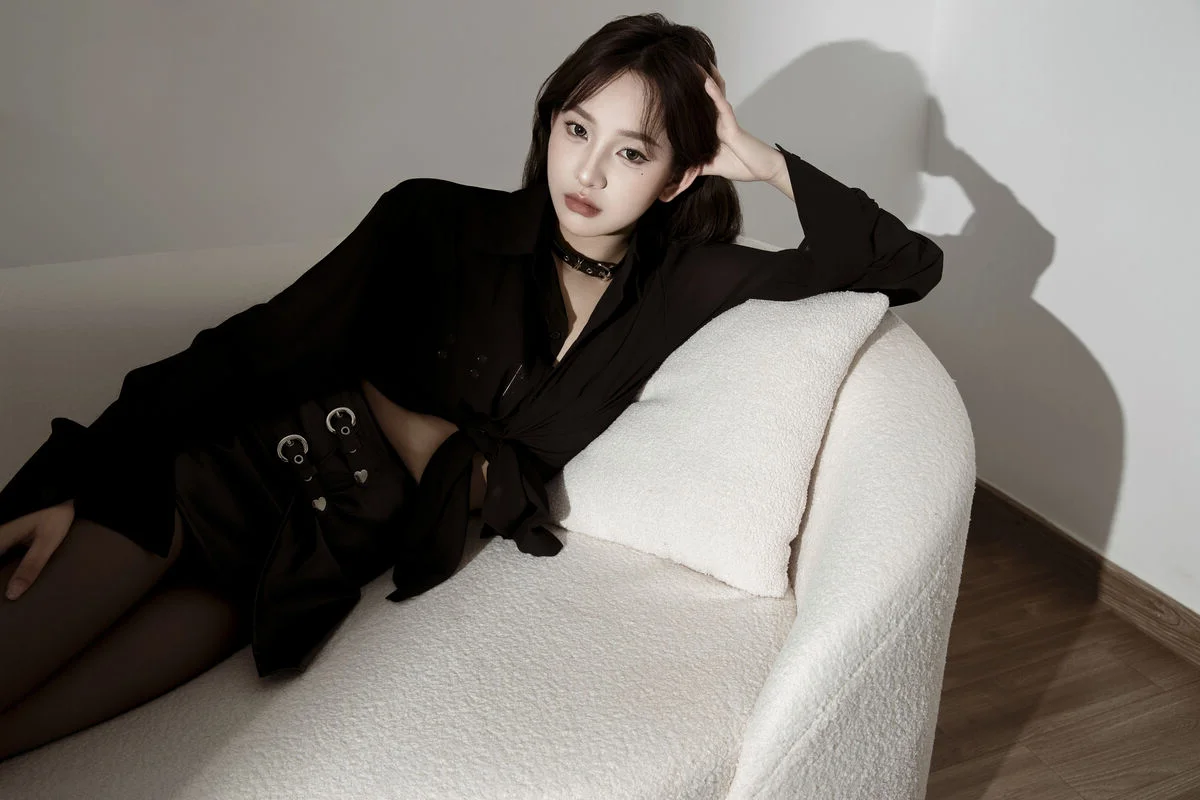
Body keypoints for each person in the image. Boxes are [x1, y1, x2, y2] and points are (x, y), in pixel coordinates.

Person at [0, 12, 943, 761]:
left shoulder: (680, 289)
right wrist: (71, 473)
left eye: (632, 151)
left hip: (283, 571)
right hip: (205, 476)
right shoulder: (433, 221)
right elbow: (249, 350)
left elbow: (903, 264)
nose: (587, 170)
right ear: (549, 124)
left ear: (674, 178)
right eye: (576, 129)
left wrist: (751, 154)